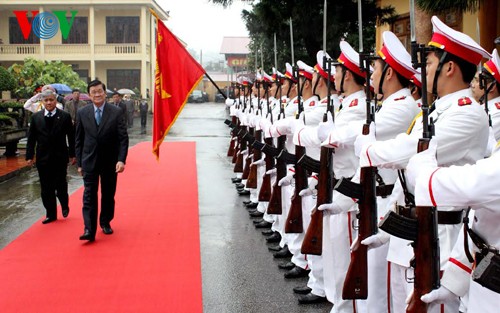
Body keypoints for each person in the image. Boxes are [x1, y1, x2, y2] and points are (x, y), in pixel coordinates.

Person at [75, 79, 129, 242]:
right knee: (89, 195)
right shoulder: (82, 113)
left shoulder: (116, 112)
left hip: (110, 162)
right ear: (89, 95)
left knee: (108, 194)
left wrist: (121, 159)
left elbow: (123, 138)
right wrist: (79, 163)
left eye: (100, 91)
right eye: (94, 92)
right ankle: (89, 229)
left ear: (105, 93)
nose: (97, 94)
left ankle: (105, 221)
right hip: (89, 161)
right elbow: (78, 139)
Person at [26, 89, 76, 224]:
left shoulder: (65, 116)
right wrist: (29, 156)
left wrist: (73, 154)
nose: (49, 102)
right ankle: (50, 213)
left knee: (60, 184)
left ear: (55, 101)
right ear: (42, 101)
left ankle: (64, 204)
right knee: (46, 187)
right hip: (43, 158)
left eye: (51, 100)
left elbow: (71, 137)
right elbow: (31, 139)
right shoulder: (36, 117)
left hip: (60, 157)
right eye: (46, 100)